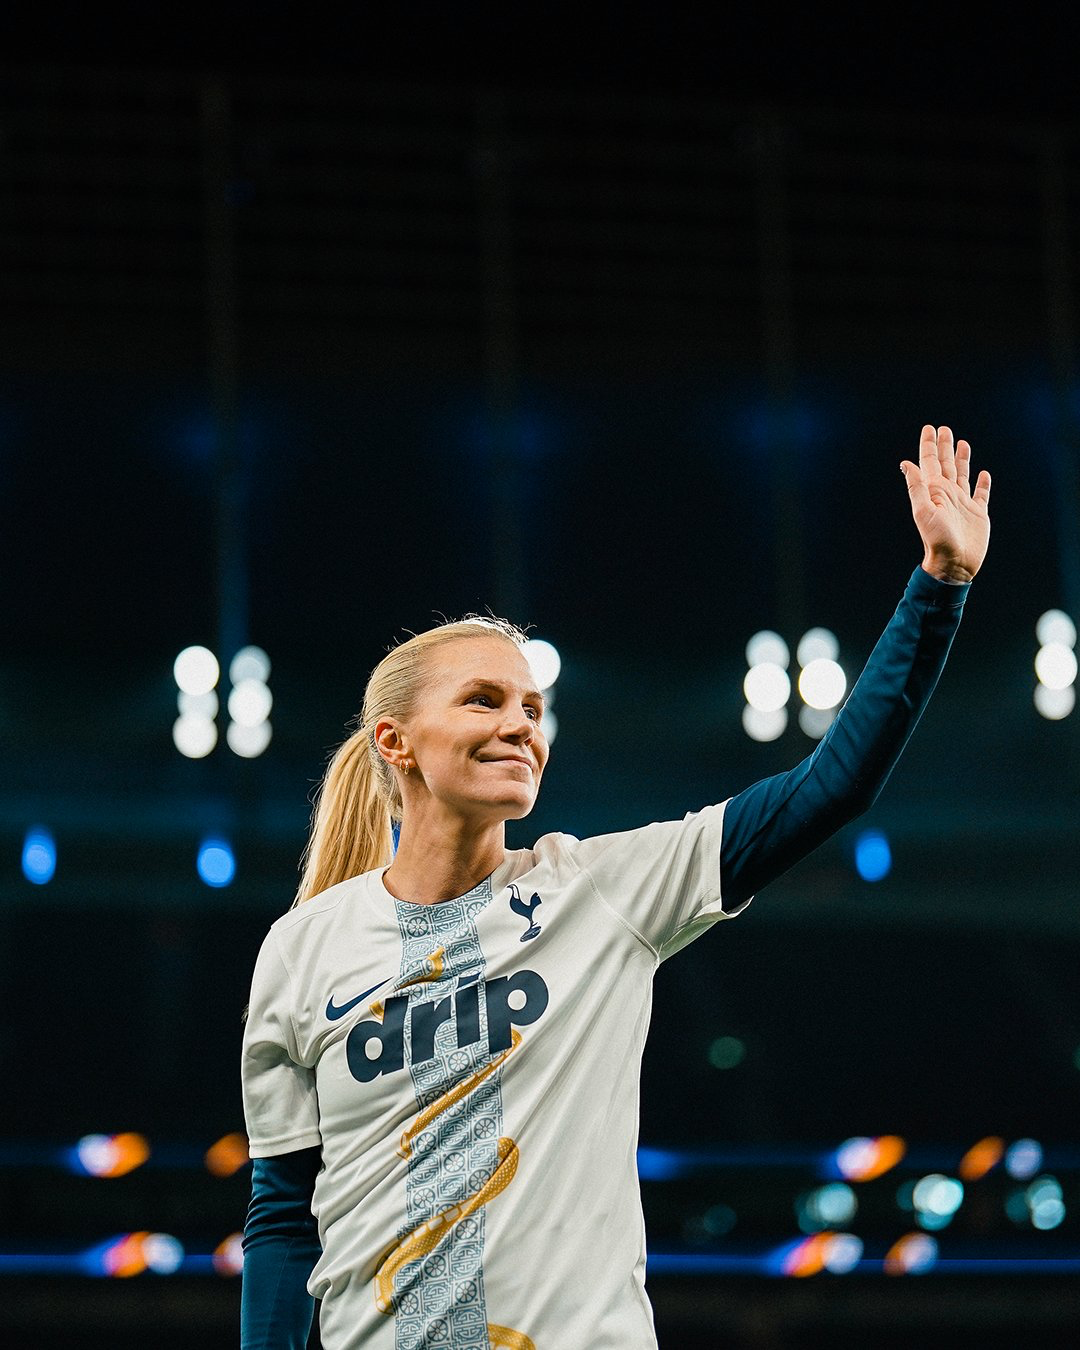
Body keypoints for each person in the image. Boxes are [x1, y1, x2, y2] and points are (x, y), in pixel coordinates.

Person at [241, 425, 992, 1350]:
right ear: (396, 742)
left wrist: (940, 589)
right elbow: (281, 1217)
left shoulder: (603, 892)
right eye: (484, 700)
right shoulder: (302, 948)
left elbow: (832, 785)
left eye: (532, 709)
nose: (521, 726)